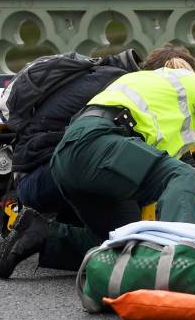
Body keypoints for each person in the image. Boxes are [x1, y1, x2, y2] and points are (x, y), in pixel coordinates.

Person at [0, 46, 195, 279]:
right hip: (97, 144)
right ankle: (183, 262)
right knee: (183, 176)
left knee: (128, 240)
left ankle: (42, 234)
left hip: (65, 158)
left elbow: (153, 168)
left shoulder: (128, 79)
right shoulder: (192, 81)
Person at [13, 49, 143, 222]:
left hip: (34, 175)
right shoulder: (118, 88)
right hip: (43, 178)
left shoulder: (101, 74)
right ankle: (45, 233)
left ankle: (50, 235)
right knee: (127, 223)